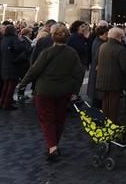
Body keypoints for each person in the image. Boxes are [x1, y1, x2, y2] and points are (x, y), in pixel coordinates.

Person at [18, 24, 83, 161]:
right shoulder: (72, 53)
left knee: (47, 119)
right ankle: (54, 144)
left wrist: (23, 84)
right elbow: (79, 73)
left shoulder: (47, 52)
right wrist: (75, 91)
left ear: (53, 37)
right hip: (64, 91)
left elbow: (34, 70)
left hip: (45, 91)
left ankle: (52, 147)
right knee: (59, 118)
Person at [96, 27, 126, 123]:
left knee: (105, 102)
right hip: (115, 81)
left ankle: (105, 121)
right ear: (118, 37)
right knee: (114, 104)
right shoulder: (120, 49)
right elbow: (125, 67)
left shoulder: (102, 46)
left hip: (103, 80)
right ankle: (112, 124)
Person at [0, 25, 28, 110]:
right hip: (13, 64)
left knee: (6, 85)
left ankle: (2, 102)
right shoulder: (14, 39)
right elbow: (20, 48)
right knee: (11, 85)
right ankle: (7, 103)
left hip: (5, 64)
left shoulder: (4, 39)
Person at [87, 24, 109, 108]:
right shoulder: (100, 44)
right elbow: (98, 57)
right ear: (103, 34)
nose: (107, 36)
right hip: (98, 71)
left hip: (96, 70)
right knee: (97, 96)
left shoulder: (98, 41)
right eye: (106, 34)